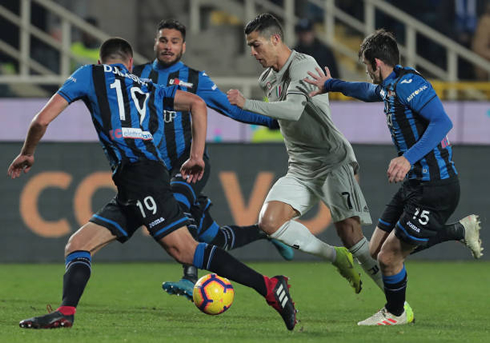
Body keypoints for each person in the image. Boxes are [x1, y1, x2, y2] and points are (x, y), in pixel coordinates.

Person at [9, 37, 297, 331]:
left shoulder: (89, 74)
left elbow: (41, 121)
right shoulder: (147, 86)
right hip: (135, 180)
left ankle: (271, 287)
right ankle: (65, 313)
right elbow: (198, 103)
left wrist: (27, 152)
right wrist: (196, 155)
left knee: (185, 250)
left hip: (141, 176)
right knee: (78, 245)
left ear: (100, 61)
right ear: (130, 63)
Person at [304, 28, 483, 325]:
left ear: (377, 63)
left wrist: (407, 157)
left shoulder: (409, 84)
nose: (366, 72)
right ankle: (457, 231)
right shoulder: (390, 85)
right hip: (415, 184)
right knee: (376, 251)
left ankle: (396, 313)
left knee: (389, 257)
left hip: (435, 184)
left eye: (365, 66)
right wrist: (331, 84)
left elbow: (442, 121)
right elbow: (366, 91)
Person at [132, 19, 294, 300]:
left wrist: (273, 120)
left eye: (174, 41)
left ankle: (189, 278)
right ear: (155, 43)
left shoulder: (195, 80)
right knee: (214, 238)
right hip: (157, 167)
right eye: (163, 40)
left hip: (190, 163)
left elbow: (231, 110)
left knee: (176, 205)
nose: (168, 46)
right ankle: (266, 233)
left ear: (183, 47)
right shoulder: (136, 76)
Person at [227, 13, 384, 295]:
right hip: (300, 166)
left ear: (276, 39)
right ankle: (336, 258)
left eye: (256, 45)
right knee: (270, 223)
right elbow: (279, 120)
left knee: (351, 235)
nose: (253, 52)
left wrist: (245, 103)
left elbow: (293, 110)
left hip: (331, 160)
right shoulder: (267, 79)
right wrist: (235, 112)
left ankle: (396, 303)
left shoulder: (304, 66)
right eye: (250, 46)